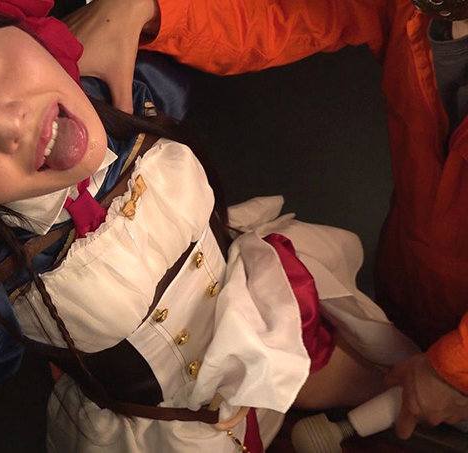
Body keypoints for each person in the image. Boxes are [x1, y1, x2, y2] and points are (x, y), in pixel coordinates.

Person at [0, 0, 419, 451]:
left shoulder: (132, 87)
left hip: (277, 320)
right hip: (174, 437)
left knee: (414, 398)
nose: (8, 124)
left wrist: (135, 5)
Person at [64, 0, 468, 440]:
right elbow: (286, 9)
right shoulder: (420, 9)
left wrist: (455, 369)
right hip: (412, 274)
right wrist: (150, 8)